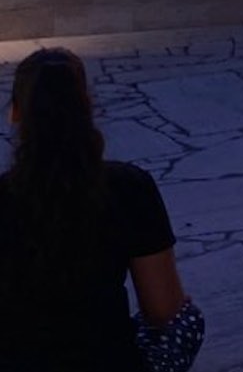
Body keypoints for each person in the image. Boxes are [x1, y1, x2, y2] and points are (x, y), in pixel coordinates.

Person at [0, 47, 204, 372]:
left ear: (17, 113)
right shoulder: (128, 188)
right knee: (187, 318)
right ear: (87, 107)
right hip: (108, 361)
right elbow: (163, 309)